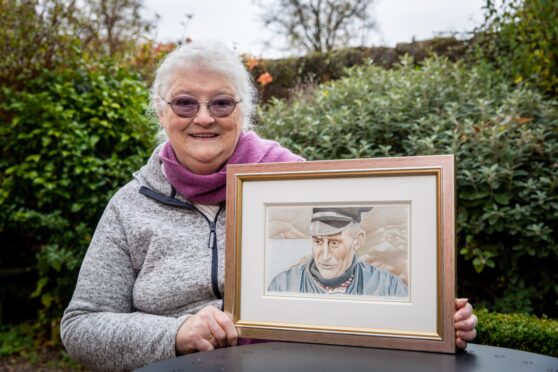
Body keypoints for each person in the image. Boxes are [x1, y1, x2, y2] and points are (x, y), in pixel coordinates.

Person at [60, 40, 478, 371]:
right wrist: (174, 334)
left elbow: (362, 293)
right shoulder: (130, 205)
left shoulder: (296, 184)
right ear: (160, 109)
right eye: (185, 102)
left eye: (221, 102)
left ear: (244, 111)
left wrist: (432, 321)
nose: (203, 117)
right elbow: (81, 326)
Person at [268, 207, 408, 296]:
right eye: (318, 241)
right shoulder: (282, 284)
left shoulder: (388, 286)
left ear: (358, 240)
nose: (325, 255)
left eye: (334, 243)